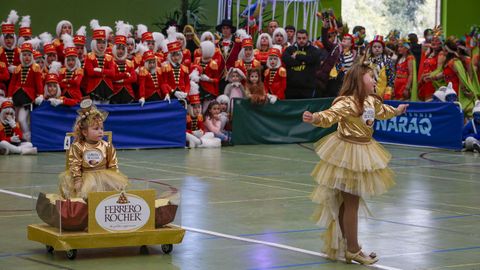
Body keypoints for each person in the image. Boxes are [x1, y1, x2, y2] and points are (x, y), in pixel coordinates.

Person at [302, 62, 408, 265]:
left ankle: (349, 246)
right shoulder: (347, 102)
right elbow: (329, 116)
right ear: (359, 80)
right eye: (371, 77)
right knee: (351, 203)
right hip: (348, 155)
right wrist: (315, 117)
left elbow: (382, 111)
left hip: (364, 149)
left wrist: (397, 110)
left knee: (348, 203)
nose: (375, 80)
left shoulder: (372, 101)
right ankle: (353, 249)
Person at [59, 99, 128, 199]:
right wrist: (78, 180)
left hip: (105, 177)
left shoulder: (107, 146)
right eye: (96, 129)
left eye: (101, 128)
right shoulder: (78, 146)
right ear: (85, 132)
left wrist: (115, 179)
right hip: (86, 177)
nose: (100, 132)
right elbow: (75, 164)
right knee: (85, 194)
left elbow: (113, 164)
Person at [282, 29, 321, 99]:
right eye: (299, 38)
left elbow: (312, 59)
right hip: (291, 88)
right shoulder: (289, 49)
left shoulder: (314, 50)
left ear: (307, 38)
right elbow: (286, 60)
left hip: (307, 88)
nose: (301, 40)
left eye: (304, 38)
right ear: (296, 38)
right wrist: (304, 61)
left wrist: (297, 56)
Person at [366, 35, 395, 100]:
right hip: (368, 92)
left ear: (383, 48)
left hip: (382, 91)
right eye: (374, 47)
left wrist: (388, 91)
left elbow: (391, 77)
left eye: (379, 47)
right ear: (371, 48)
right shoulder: (367, 60)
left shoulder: (387, 60)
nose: (377, 48)